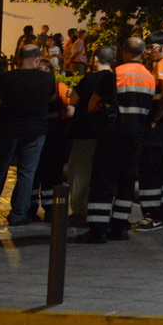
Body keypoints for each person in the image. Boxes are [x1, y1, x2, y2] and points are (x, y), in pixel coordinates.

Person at [0, 45, 57, 225]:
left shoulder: (4, 78)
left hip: (8, 130)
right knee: (26, 173)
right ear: (38, 59)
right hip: (35, 131)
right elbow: (50, 98)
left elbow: (0, 95)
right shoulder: (47, 79)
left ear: (18, 58)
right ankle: (18, 215)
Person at [77, 38, 153, 244]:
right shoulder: (149, 76)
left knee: (103, 181)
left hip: (112, 135)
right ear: (143, 53)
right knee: (126, 182)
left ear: (122, 51)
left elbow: (92, 106)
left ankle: (97, 229)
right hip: (137, 135)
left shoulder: (115, 74)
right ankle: (120, 227)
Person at [134, 33, 163, 229]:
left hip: (161, 124)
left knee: (150, 167)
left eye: (152, 47)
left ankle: (152, 214)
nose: (148, 52)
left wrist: (154, 119)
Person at [27, 54, 76, 222]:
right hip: (52, 133)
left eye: (45, 69)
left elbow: (69, 109)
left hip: (49, 134)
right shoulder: (57, 86)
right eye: (40, 69)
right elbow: (70, 110)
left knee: (39, 170)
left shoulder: (55, 87)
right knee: (48, 171)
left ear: (51, 71)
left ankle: (34, 209)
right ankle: (48, 209)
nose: (42, 72)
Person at [67, 46, 112, 223]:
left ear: (94, 60)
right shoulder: (116, 78)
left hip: (85, 131)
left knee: (79, 172)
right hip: (108, 132)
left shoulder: (90, 79)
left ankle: (80, 211)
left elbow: (74, 100)